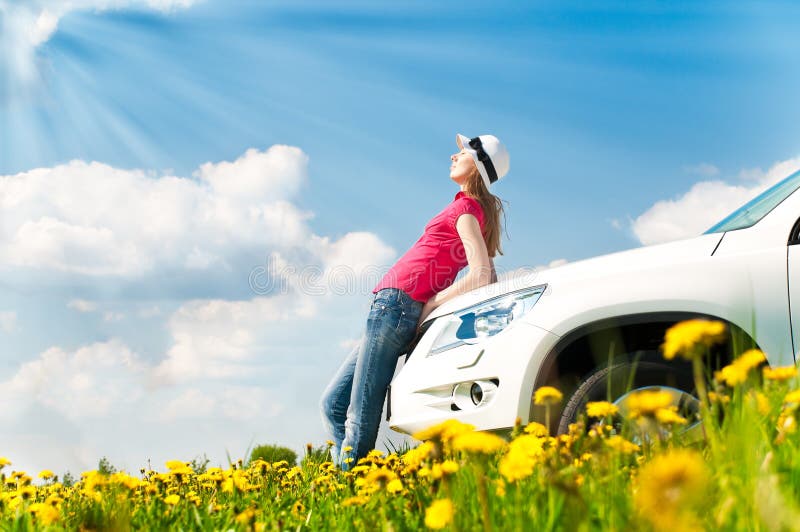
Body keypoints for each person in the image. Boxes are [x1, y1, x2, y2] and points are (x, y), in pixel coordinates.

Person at [319, 133, 510, 468]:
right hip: (390, 307)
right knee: (333, 403)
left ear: (477, 167)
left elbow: (481, 274)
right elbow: (486, 272)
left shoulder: (466, 209)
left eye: (460, 153)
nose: (453, 157)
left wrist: (433, 303)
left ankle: (349, 490)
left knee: (358, 412)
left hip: (396, 307)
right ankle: (345, 481)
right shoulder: (470, 209)